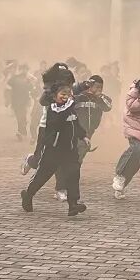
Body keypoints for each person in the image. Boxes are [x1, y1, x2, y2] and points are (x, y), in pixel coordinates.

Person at [21, 83, 90, 216]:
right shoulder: (53, 108)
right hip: (53, 149)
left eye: (68, 94)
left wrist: (83, 136)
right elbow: (58, 120)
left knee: (73, 173)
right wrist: (70, 105)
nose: (65, 97)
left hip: (70, 149)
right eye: (62, 94)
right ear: (55, 96)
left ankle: (73, 204)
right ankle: (28, 195)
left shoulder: (70, 108)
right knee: (42, 175)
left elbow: (75, 123)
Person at [22, 62, 75, 176]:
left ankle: (61, 181)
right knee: (39, 159)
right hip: (46, 127)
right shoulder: (50, 90)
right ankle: (30, 160)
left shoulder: (71, 91)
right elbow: (42, 101)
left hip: (64, 128)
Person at [5, 61, 36, 141]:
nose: (24, 71)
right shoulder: (14, 78)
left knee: (22, 116)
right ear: (20, 70)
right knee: (19, 117)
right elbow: (8, 87)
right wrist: (8, 100)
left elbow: (31, 88)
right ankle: (21, 131)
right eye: (22, 69)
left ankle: (21, 131)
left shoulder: (28, 79)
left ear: (27, 70)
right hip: (15, 101)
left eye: (26, 69)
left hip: (25, 101)